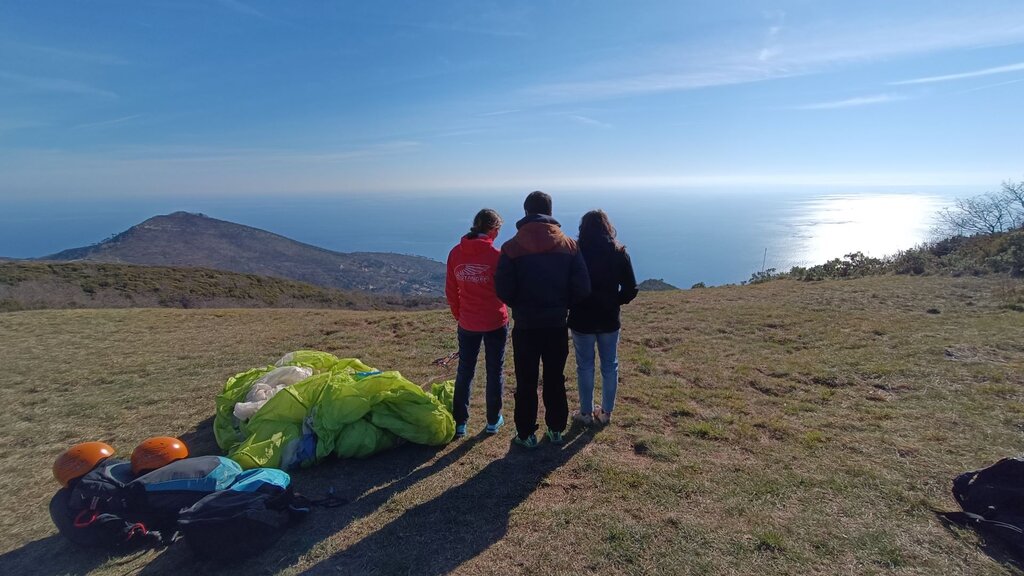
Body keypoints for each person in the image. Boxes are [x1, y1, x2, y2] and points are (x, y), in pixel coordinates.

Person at [495, 191, 591, 448]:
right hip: (556, 324)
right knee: (554, 378)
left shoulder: (511, 247)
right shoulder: (570, 246)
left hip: (525, 326)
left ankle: (525, 434)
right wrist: (562, 304)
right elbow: (582, 287)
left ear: (526, 212)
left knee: (525, 380)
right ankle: (556, 429)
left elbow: (503, 289)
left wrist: (520, 304)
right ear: (550, 211)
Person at [568, 210, 638, 425]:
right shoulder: (619, 252)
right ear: (607, 227)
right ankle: (606, 413)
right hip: (609, 318)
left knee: (585, 366)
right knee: (610, 365)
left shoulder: (575, 252)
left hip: (582, 318)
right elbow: (631, 288)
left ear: (583, 228)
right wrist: (615, 301)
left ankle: (586, 413)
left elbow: (567, 285)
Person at [445, 209, 509, 437]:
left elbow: (451, 292)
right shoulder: (496, 255)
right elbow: (505, 291)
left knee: (465, 371)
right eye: (498, 230)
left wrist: (460, 316)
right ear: (493, 229)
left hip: (468, 323)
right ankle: (493, 421)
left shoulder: (455, 253)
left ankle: (460, 423)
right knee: (495, 370)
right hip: (494, 321)